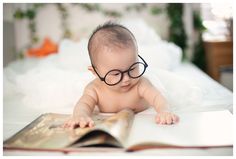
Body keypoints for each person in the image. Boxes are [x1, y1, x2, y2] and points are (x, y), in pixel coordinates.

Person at [63, 21, 179, 129]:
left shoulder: (141, 84)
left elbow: (157, 98)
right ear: (95, 72)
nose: (127, 79)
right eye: (116, 73)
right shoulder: (95, 89)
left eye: (133, 68)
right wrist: (80, 115)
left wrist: (164, 111)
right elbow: (84, 104)